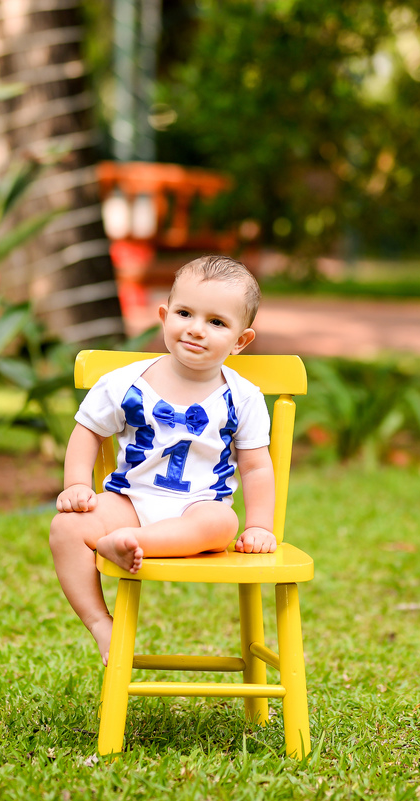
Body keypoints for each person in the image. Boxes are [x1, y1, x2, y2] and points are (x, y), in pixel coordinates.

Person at [50, 255, 277, 663]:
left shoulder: (243, 397)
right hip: (128, 504)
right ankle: (102, 624)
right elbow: (87, 430)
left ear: (241, 341)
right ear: (164, 315)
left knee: (223, 523)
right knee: (66, 528)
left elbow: (257, 466)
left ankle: (129, 546)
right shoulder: (124, 383)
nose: (195, 328)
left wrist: (259, 525)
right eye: (185, 312)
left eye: (217, 322)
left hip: (198, 509)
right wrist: (77, 485)